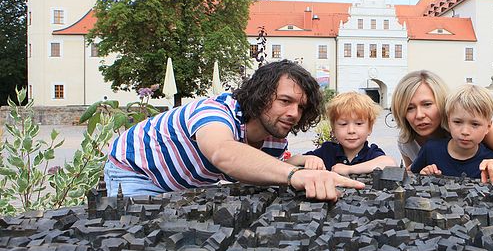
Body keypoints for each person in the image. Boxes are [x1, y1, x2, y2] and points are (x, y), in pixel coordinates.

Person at [104, 60, 364, 200]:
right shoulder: (213, 112)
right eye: (285, 101)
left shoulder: (274, 134)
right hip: (136, 172)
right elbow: (223, 152)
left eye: (300, 107)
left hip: (179, 183)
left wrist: (303, 161)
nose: (294, 113)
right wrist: (295, 175)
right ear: (261, 95)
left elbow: (267, 165)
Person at [391, 70, 493, 183]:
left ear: (442, 104)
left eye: (427, 104)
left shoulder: (467, 121)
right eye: (410, 108)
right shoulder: (406, 141)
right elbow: (412, 175)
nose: (419, 115)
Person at [288, 91, 396, 174]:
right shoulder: (327, 151)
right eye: (343, 124)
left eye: (359, 124)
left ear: (370, 128)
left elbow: (390, 163)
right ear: (333, 129)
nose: (351, 131)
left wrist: (350, 169)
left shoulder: (371, 153)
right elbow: (289, 162)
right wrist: (308, 159)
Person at [411, 84, 493, 178]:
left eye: (475, 124)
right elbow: (411, 177)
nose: (465, 131)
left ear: (488, 127)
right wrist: (423, 175)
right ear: (448, 122)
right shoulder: (430, 150)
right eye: (457, 122)